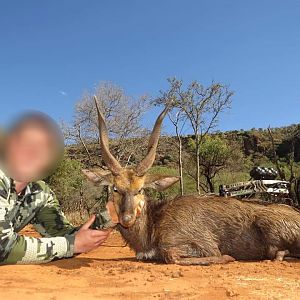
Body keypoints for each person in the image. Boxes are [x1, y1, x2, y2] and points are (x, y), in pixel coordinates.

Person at [0, 111, 116, 264]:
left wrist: (109, 216)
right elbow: (3, 247)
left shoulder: (40, 193)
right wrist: (71, 245)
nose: (32, 152)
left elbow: (65, 235)